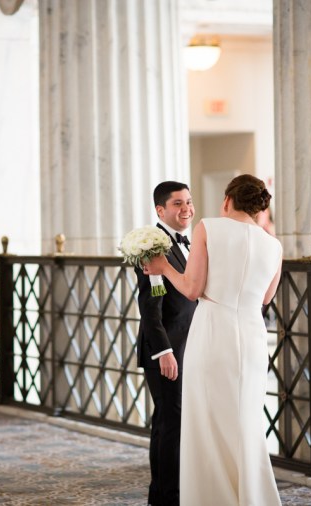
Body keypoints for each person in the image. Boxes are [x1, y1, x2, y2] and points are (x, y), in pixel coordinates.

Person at [143, 174, 284, 506]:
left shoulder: (208, 227)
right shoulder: (274, 245)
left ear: (227, 200)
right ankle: (251, 496)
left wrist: (164, 267)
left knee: (207, 421)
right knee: (246, 420)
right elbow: (266, 298)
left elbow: (192, 289)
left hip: (213, 332)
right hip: (252, 336)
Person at [136, 181, 198, 506]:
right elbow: (151, 306)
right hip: (166, 351)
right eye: (178, 203)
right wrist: (164, 351)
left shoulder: (189, 243)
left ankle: (161, 495)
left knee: (168, 421)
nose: (186, 208)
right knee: (171, 422)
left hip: (188, 346)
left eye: (189, 201)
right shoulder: (153, 248)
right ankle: (168, 497)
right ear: (160, 210)